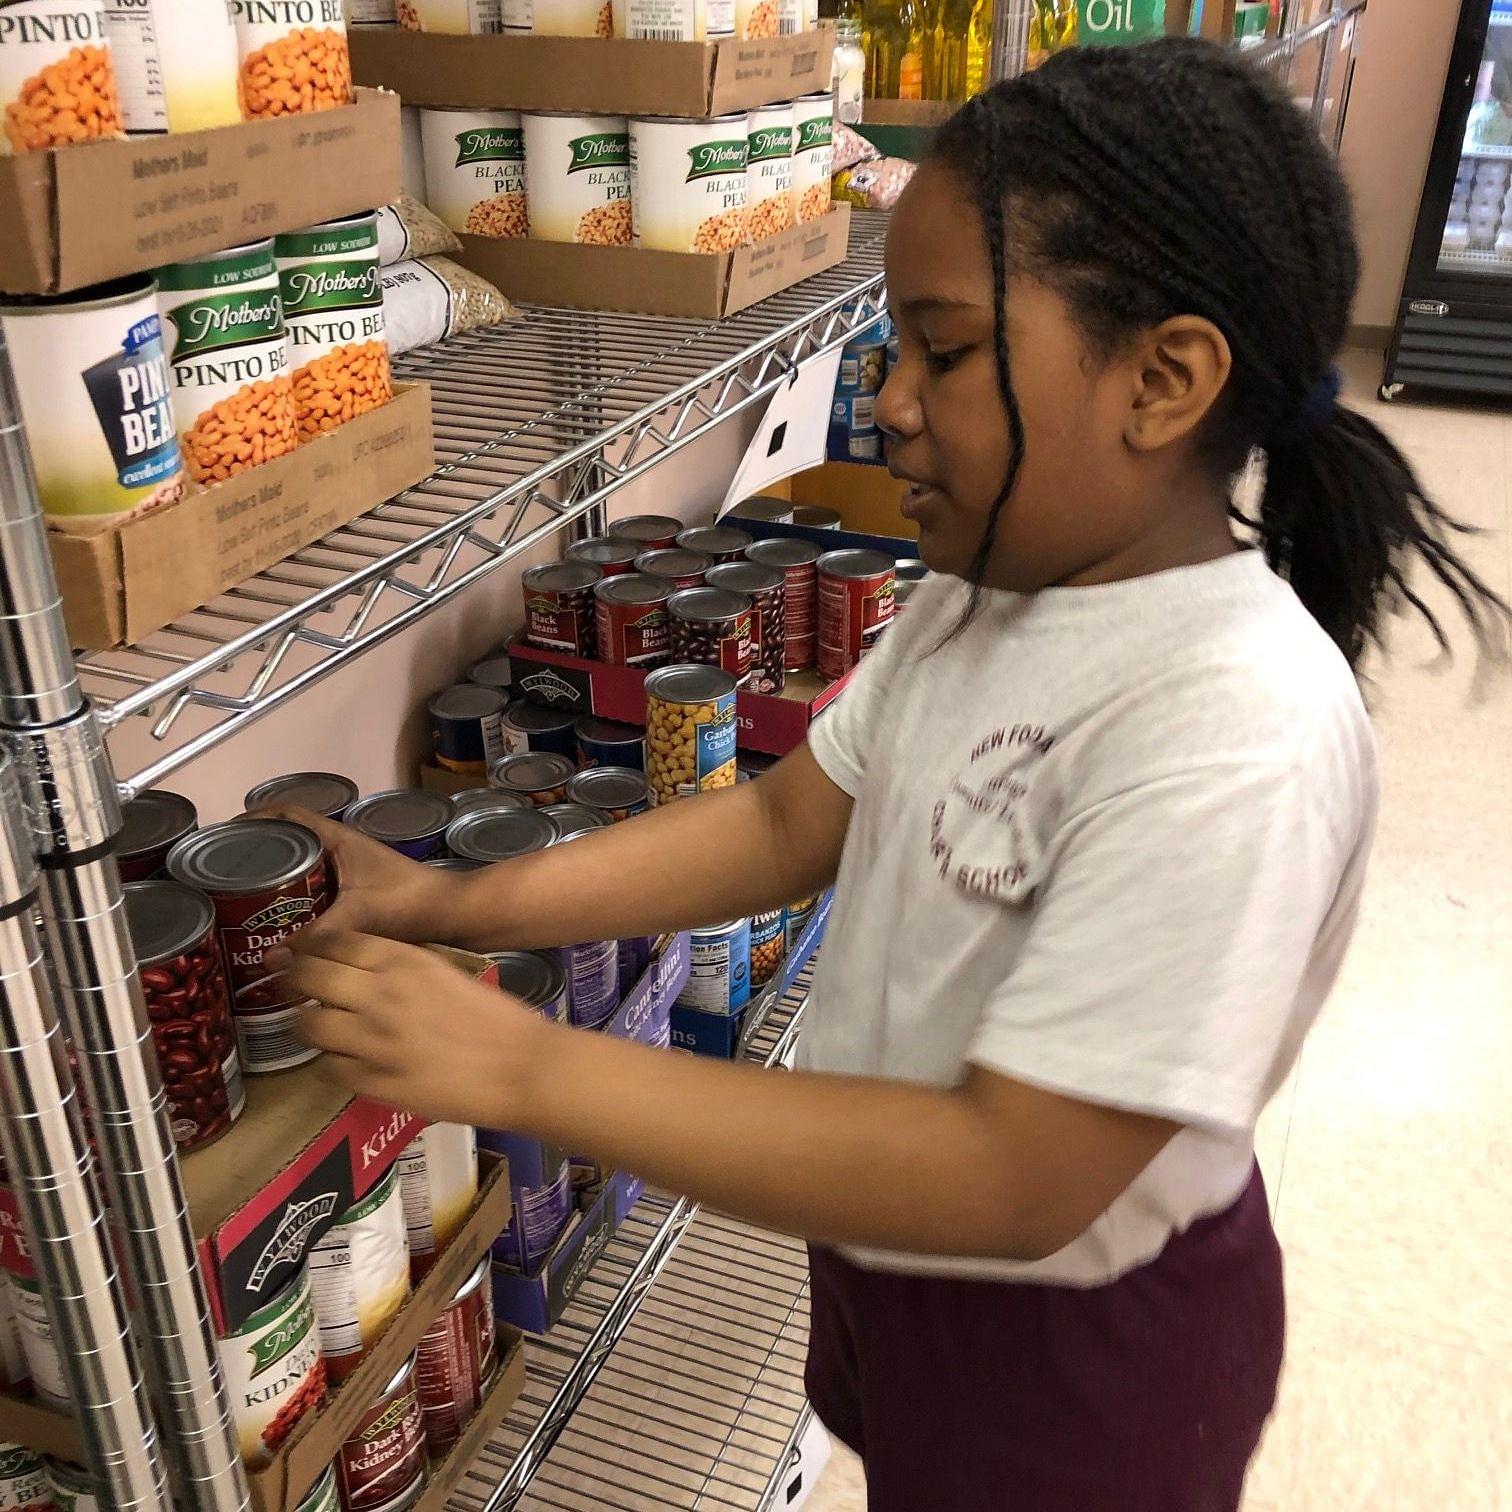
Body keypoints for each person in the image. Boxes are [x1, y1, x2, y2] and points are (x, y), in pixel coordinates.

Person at [267, 40, 1508, 1512]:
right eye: (892, 345)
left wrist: (526, 1065)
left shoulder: (1232, 732)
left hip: (1086, 1366)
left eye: (947, 347)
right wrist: (462, 905)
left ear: (1164, 379)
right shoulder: (982, 600)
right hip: (899, 1263)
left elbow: (1015, 1172)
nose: (892, 397)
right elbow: (791, 819)